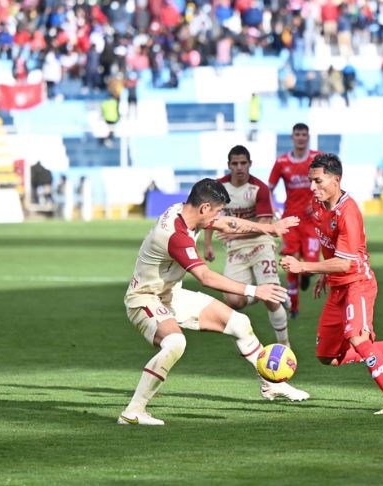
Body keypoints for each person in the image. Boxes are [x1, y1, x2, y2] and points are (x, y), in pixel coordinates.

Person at [119, 178, 309, 426]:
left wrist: (269, 229)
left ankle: (271, 386)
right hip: (144, 298)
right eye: (217, 210)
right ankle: (134, 411)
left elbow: (225, 223)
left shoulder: (186, 211)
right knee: (175, 342)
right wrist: (255, 290)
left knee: (240, 323)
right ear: (204, 208)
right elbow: (206, 277)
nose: (218, 217)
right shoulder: (175, 234)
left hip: (170, 293)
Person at [280, 153, 383, 415]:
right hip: (337, 284)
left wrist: (304, 266)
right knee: (327, 356)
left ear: (335, 180)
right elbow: (329, 246)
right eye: (310, 181)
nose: (312, 187)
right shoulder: (318, 206)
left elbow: (345, 263)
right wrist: (323, 274)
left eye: (318, 181)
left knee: (356, 337)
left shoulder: (348, 212)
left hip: (357, 283)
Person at [204, 145, 291, 347]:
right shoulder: (218, 187)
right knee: (235, 302)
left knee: (271, 298)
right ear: (229, 165)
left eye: (243, 163)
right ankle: (265, 289)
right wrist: (207, 244)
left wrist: (233, 230)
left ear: (250, 164)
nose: (239, 167)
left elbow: (266, 226)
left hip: (260, 244)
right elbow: (210, 217)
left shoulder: (259, 188)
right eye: (235, 163)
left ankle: (285, 345)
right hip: (235, 248)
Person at [269, 123, 322, 318]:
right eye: (297, 134)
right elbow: (268, 188)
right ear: (292, 137)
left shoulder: (318, 158)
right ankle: (294, 307)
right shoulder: (282, 162)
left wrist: (318, 200)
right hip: (290, 219)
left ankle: (306, 275)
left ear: (307, 137)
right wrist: (272, 206)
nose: (300, 137)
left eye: (304, 134)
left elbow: (332, 180)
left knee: (310, 265)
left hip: (312, 221)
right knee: (290, 261)